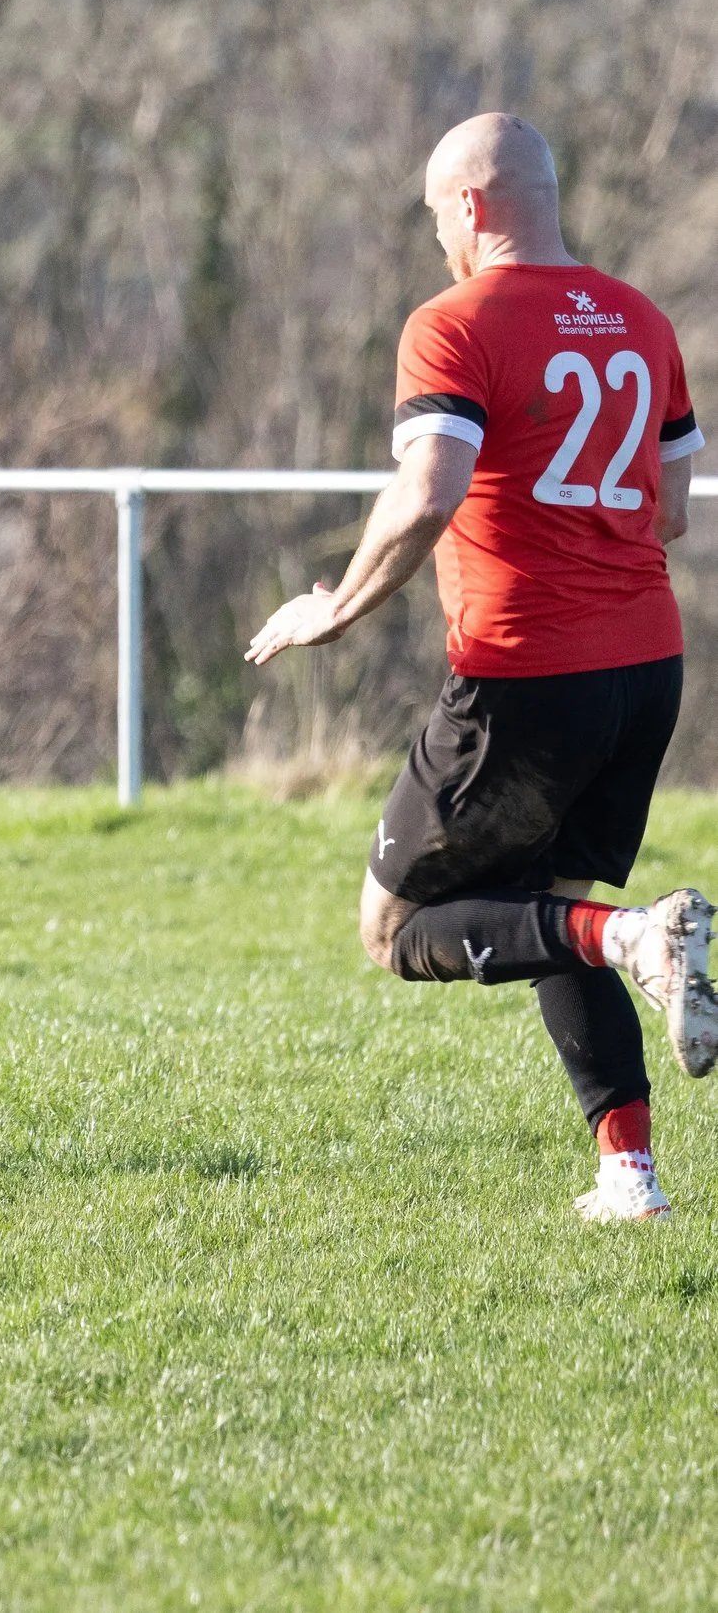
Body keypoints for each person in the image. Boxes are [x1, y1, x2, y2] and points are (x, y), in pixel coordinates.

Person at [246, 113, 717, 1223]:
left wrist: (336, 609)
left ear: (468, 207)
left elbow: (427, 489)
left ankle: (641, 937)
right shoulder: (642, 319)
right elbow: (672, 512)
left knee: (393, 929)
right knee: (546, 902)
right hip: (645, 668)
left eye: (432, 218)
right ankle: (628, 1173)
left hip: (524, 673)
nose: (436, 242)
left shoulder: (451, 323)